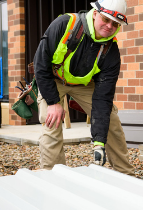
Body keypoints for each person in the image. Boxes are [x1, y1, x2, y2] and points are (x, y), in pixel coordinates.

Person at [33, 0, 134, 176]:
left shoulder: (111, 51)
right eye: (105, 19)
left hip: (82, 85)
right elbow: (40, 63)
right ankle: (53, 176)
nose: (110, 26)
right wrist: (53, 102)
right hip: (53, 80)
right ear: (95, 13)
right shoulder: (65, 24)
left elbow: (103, 98)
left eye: (115, 23)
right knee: (52, 122)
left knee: (111, 119)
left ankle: (126, 174)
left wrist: (99, 143)